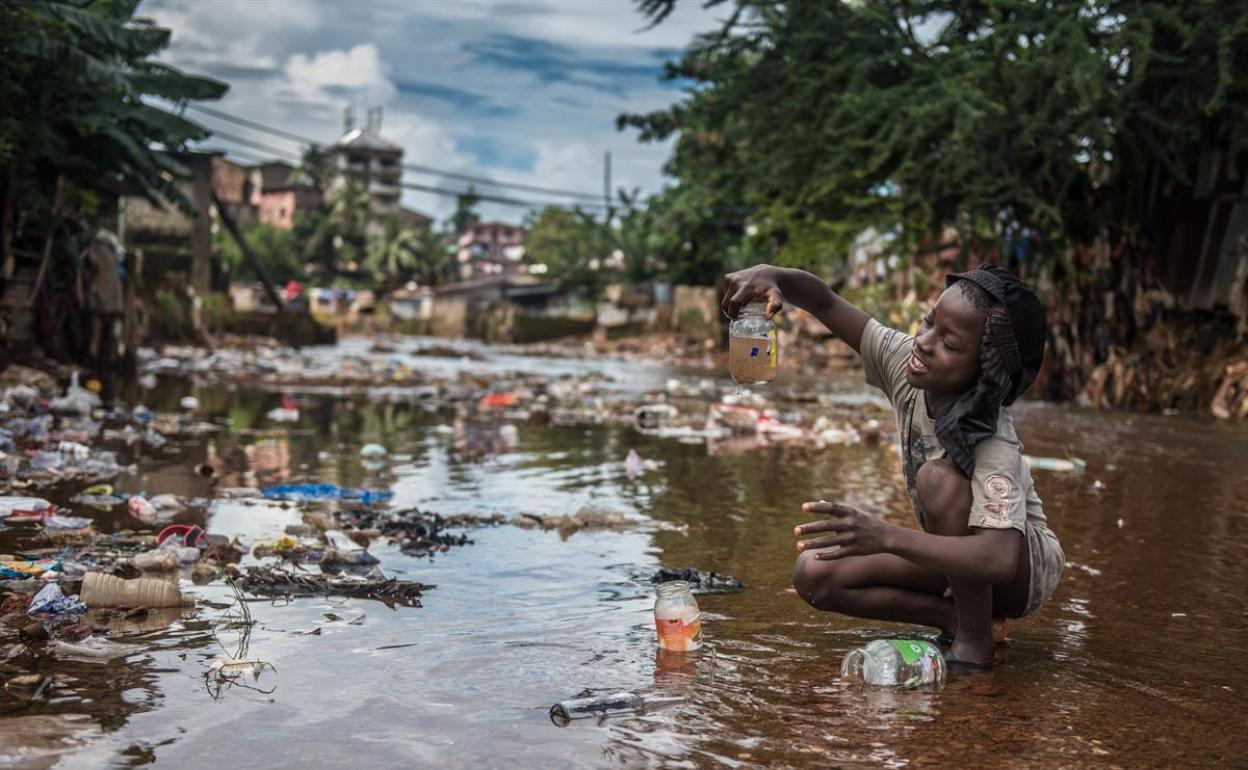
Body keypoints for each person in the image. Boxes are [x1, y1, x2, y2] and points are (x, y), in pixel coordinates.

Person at [722, 264, 1064, 666]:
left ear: (984, 376)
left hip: (1021, 573)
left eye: (950, 345)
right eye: (928, 323)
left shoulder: (993, 437)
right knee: (815, 574)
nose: (923, 343)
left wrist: (886, 536)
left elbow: (1000, 558)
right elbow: (825, 302)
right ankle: (955, 619)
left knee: (938, 480)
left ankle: (975, 647)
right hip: (961, 558)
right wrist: (773, 275)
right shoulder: (906, 363)